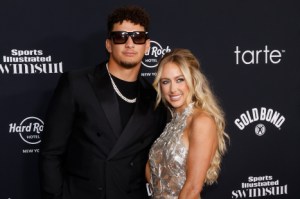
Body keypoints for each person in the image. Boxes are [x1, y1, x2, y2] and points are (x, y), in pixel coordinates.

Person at [39, 5, 167, 199]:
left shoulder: (154, 99)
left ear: (147, 45)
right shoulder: (77, 84)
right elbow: (50, 154)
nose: (130, 43)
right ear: (109, 44)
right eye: (121, 37)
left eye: (138, 37)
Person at [145, 48, 229, 199]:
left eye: (180, 80)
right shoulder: (171, 121)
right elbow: (153, 173)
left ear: (193, 80)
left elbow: (192, 188)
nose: (172, 89)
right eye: (165, 82)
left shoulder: (201, 121)